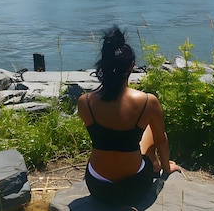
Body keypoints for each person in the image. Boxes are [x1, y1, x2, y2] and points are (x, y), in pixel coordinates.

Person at [77, 26, 181, 205]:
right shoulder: (147, 101)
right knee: (148, 129)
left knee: (122, 139)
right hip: (134, 187)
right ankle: (158, 166)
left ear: (104, 65)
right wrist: (167, 167)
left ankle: (153, 164)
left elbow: (109, 137)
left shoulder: (84, 102)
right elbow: (161, 140)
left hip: (97, 186)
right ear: (131, 66)